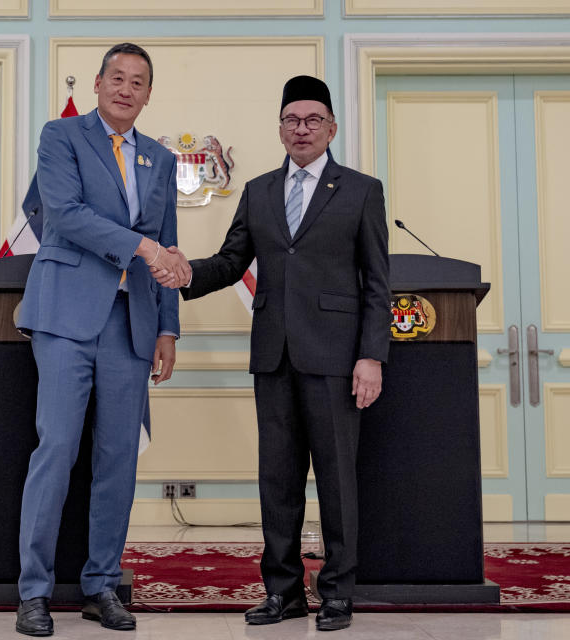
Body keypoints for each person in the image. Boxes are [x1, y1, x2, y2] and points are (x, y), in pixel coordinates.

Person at [153, 75, 390, 632]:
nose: (301, 129)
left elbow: (377, 283)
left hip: (337, 360)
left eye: (312, 120)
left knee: (336, 483)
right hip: (274, 358)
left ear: (331, 128)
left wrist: (371, 356)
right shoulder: (259, 191)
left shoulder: (360, 190)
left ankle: (336, 592)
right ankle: (283, 593)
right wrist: (182, 272)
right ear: (279, 129)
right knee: (277, 483)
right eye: (291, 120)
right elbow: (232, 261)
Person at [14, 42, 190, 637]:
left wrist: (168, 326)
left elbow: (166, 243)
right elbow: (61, 214)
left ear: (147, 94)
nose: (125, 88)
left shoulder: (160, 162)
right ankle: (33, 592)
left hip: (132, 323)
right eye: (116, 77)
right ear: (97, 83)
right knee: (57, 448)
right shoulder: (61, 137)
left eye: (138, 81)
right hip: (66, 313)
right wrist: (141, 248)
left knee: (118, 461)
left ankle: (101, 585)